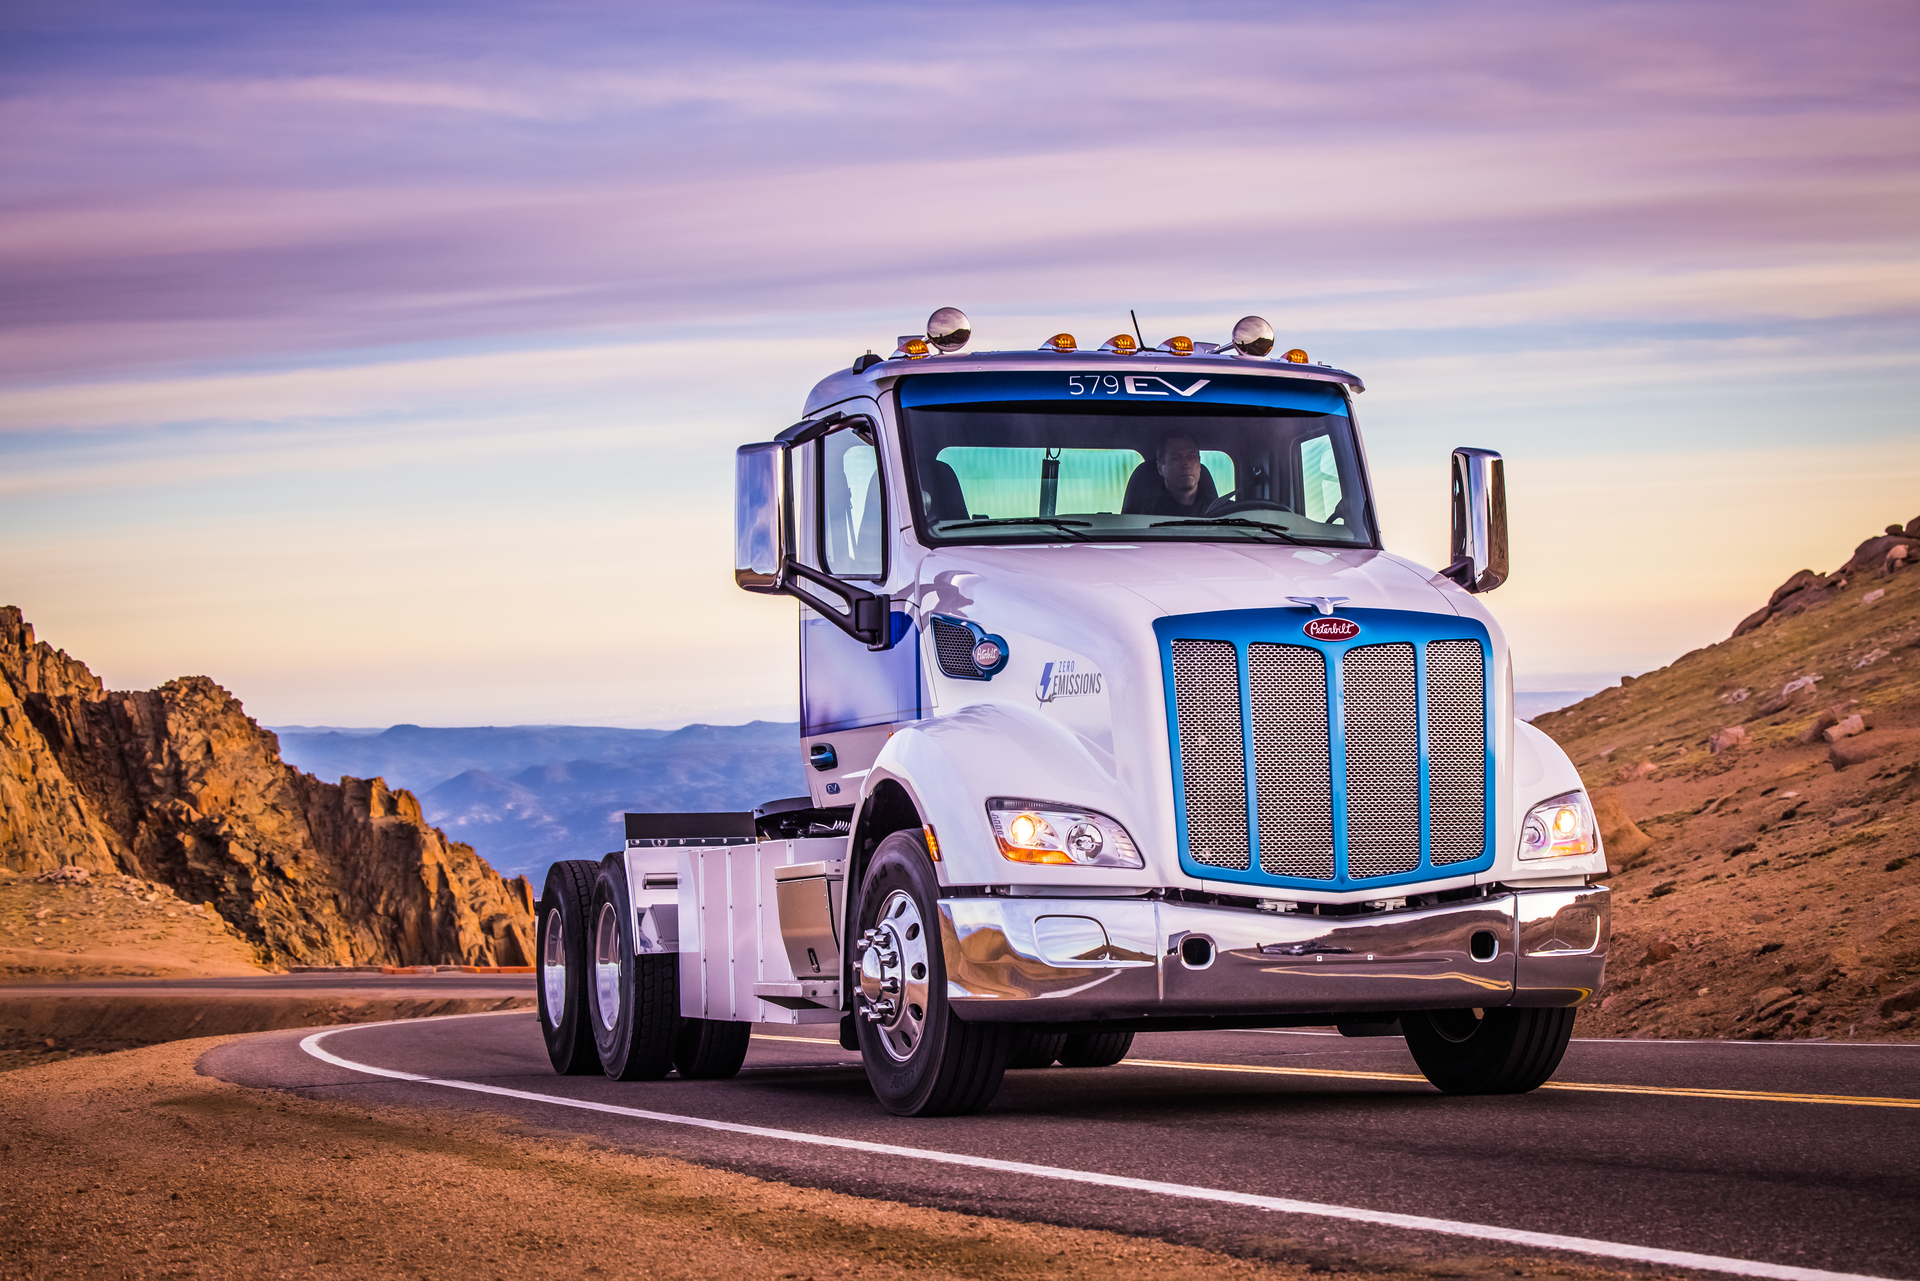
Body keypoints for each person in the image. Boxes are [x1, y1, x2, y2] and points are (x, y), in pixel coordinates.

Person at [1121, 430, 1217, 517]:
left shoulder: (1221, 512)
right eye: (1176, 458)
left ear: (1199, 463)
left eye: (1191, 457)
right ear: (1160, 468)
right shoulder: (1149, 517)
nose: (1186, 464)